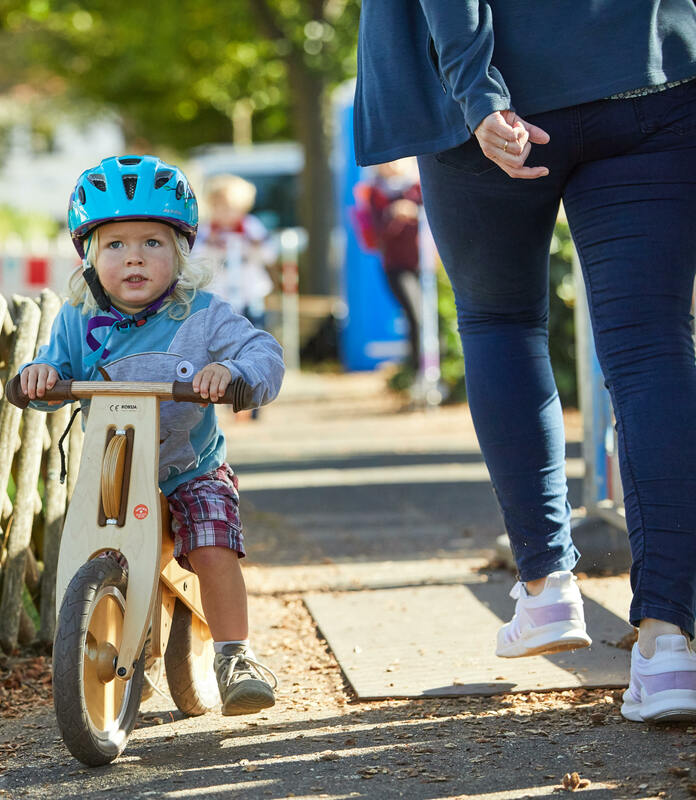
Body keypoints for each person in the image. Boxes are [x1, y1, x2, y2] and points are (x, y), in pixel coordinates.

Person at [355, 4, 696, 722]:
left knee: (500, 322)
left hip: (489, 97)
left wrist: (479, 94)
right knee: (652, 347)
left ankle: (546, 589)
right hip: (648, 73)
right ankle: (670, 646)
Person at [18, 154, 285, 715]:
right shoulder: (78, 317)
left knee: (211, 541)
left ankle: (236, 655)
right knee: (93, 543)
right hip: (115, 467)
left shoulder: (204, 315)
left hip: (191, 468)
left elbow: (263, 353)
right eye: (114, 244)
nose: (133, 256)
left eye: (152, 243)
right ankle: (96, 634)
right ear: (89, 256)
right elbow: (52, 368)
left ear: (180, 252)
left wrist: (235, 373)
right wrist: (41, 377)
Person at [193, 173, 278, 421]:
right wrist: (212, 246)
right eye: (219, 206)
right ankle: (221, 401)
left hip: (251, 295)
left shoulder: (251, 226)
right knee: (221, 351)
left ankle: (252, 404)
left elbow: (269, 254)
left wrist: (250, 245)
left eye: (230, 207)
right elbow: (194, 260)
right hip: (221, 300)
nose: (225, 212)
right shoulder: (206, 231)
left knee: (255, 347)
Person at [351, 159, 424, 372]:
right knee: (415, 315)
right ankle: (418, 372)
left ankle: (439, 369)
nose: (392, 165)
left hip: (426, 263)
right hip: (396, 265)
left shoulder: (417, 187)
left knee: (433, 316)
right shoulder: (374, 193)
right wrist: (393, 215)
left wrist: (414, 213)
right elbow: (376, 233)